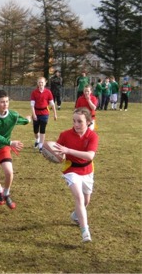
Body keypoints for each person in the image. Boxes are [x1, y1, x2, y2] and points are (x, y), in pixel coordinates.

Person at [53, 107, 99, 243]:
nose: (76, 124)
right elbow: (57, 151)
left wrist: (68, 150)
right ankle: (85, 231)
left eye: (80, 121)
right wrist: (56, 154)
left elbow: (90, 155)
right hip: (71, 170)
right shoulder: (65, 135)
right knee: (78, 198)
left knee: (86, 201)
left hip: (87, 170)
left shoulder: (93, 136)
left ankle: (75, 215)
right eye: (74, 121)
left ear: (89, 122)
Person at [0, 89, 31, 209]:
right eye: (2, 102)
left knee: (9, 172)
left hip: (3, 147)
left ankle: (6, 193)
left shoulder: (12, 115)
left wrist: (27, 120)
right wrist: (10, 142)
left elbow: (19, 120)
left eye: (7, 101)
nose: (5, 104)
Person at [30, 77, 57, 152]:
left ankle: (41, 145)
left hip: (45, 113)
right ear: (37, 83)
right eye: (39, 82)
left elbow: (52, 104)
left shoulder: (48, 92)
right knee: (35, 130)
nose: (40, 84)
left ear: (45, 83)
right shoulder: (34, 92)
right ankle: (37, 139)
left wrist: (55, 114)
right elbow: (32, 105)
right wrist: (34, 114)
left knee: (42, 129)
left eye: (42, 82)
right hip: (36, 113)